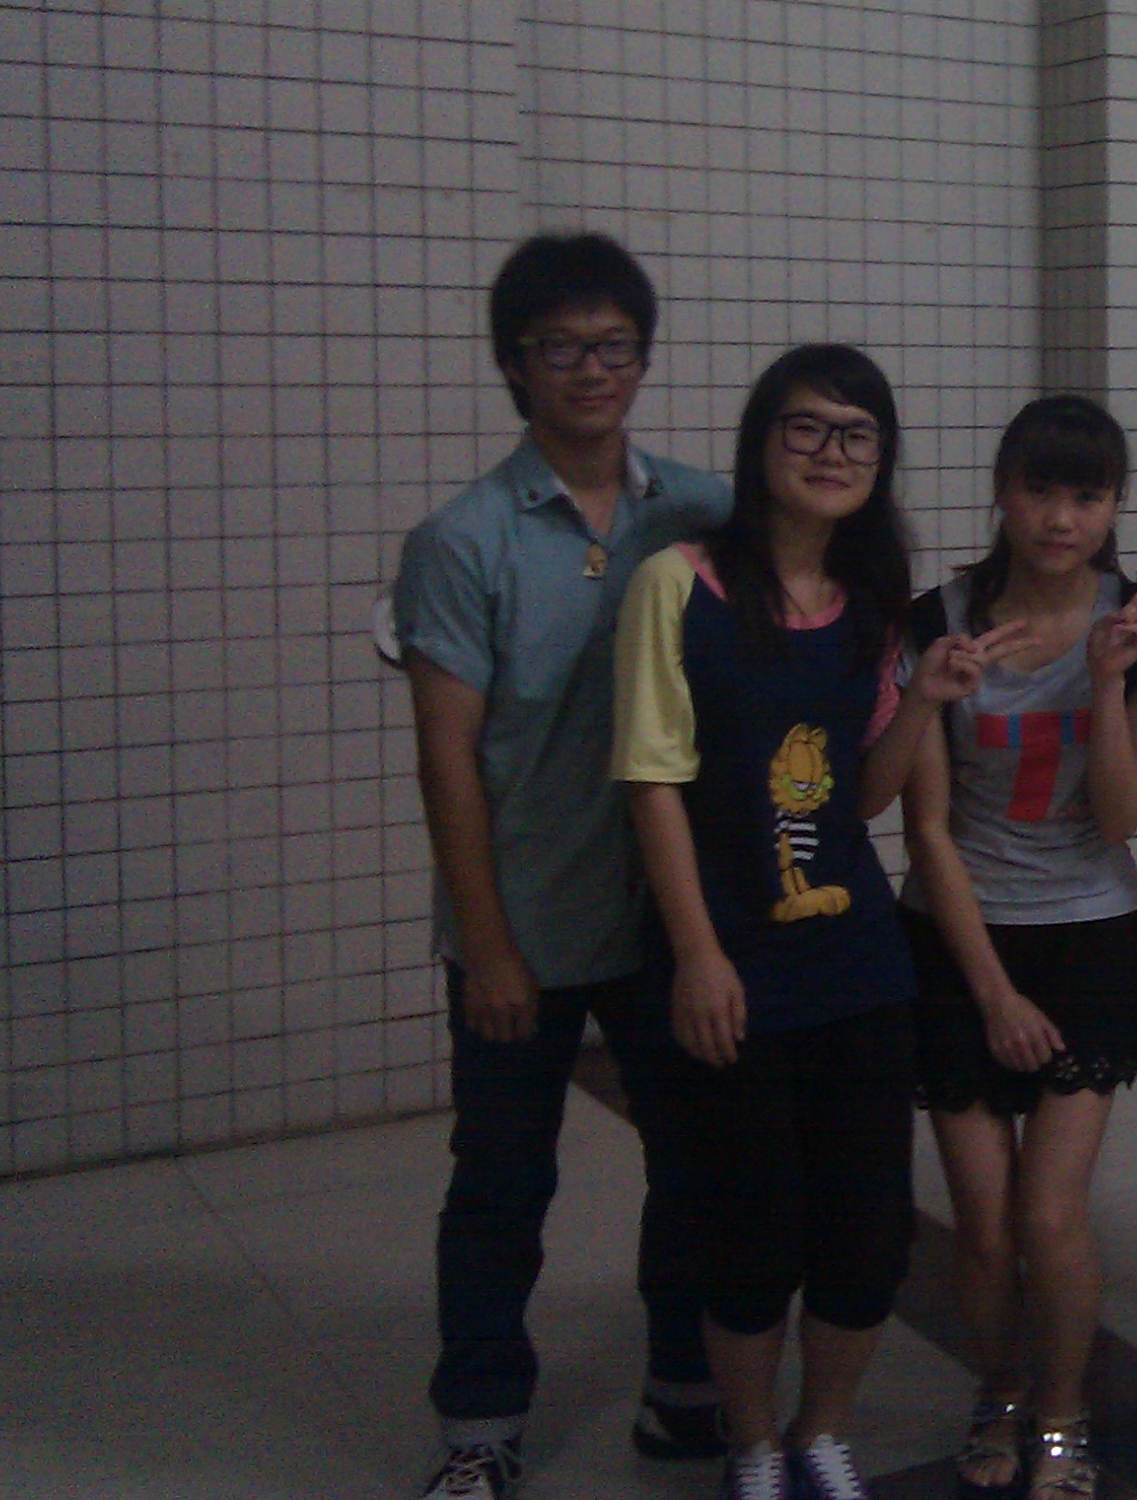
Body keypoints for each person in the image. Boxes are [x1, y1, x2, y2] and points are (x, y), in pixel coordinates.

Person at [610, 343, 1007, 1500]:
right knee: (750, 1233)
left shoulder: (871, 605)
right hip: (727, 961)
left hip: (855, 964)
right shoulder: (677, 585)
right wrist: (696, 953)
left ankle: (819, 1432)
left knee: (868, 1229)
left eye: (857, 434)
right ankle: (750, 1445)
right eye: (808, 428)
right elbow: (651, 783)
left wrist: (922, 700)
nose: (832, 452)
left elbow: (864, 796)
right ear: (761, 443)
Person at [391, 232, 732, 1500]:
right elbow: (447, 759)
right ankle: (479, 1428)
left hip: (661, 914)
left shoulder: (699, 511)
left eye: (613, 345)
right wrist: (485, 943)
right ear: (514, 366)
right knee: (500, 1184)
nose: (592, 369)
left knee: (691, 1163)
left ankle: (683, 1389)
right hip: (521, 921)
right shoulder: (462, 539)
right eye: (560, 348)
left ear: (642, 358)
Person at [897, 396, 1137, 1500]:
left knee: (1049, 1216)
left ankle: (1062, 1421)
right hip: (958, 943)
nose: (1061, 518)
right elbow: (927, 830)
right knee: (982, 1228)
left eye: (1087, 495)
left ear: (1111, 507)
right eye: (1040, 490)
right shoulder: (939, 622)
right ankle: (1002, 1393)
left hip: (1089, 942)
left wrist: (1110, 681)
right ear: (1001, 494)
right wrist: (991, 994)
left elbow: (1119, 817)